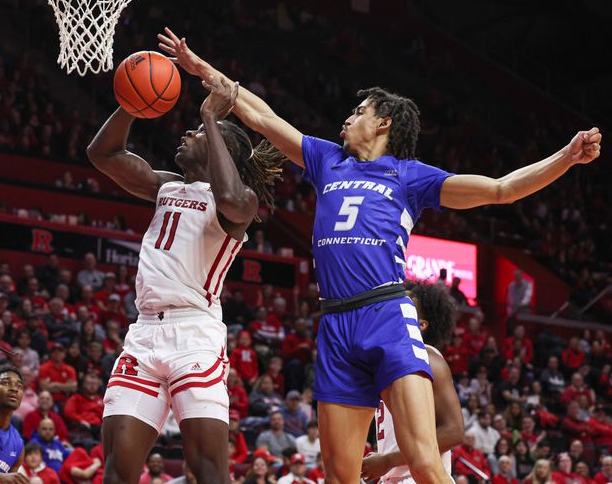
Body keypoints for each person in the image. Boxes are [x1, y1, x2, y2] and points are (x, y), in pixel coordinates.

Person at [159, 27, 602, 484]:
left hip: (386, 312)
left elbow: (501, 189)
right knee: (339, 475)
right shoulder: (326, 159)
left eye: (359, 111)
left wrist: (565, 158)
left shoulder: (410, 176)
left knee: (424, 460)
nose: (347, 119)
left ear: (384, 122)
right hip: (335, 322)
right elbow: (262, 117)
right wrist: (202, 70)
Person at [86, 56, 285, 484]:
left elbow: (230, 197)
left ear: (223, 150)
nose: (187, 133)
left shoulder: (241, 201)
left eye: (196, 133)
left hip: (195, 335)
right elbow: (103, 154)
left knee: (208, 469)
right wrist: (130, 103)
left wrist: (210, 117)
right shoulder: (165, 185)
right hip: (143, 334)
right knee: (117, 470)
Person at [361, 280, 465, 483]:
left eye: (404, 305)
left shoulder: (429, 358)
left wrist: (388, 460)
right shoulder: (384, 362)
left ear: (421, 324)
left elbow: (454, 432)